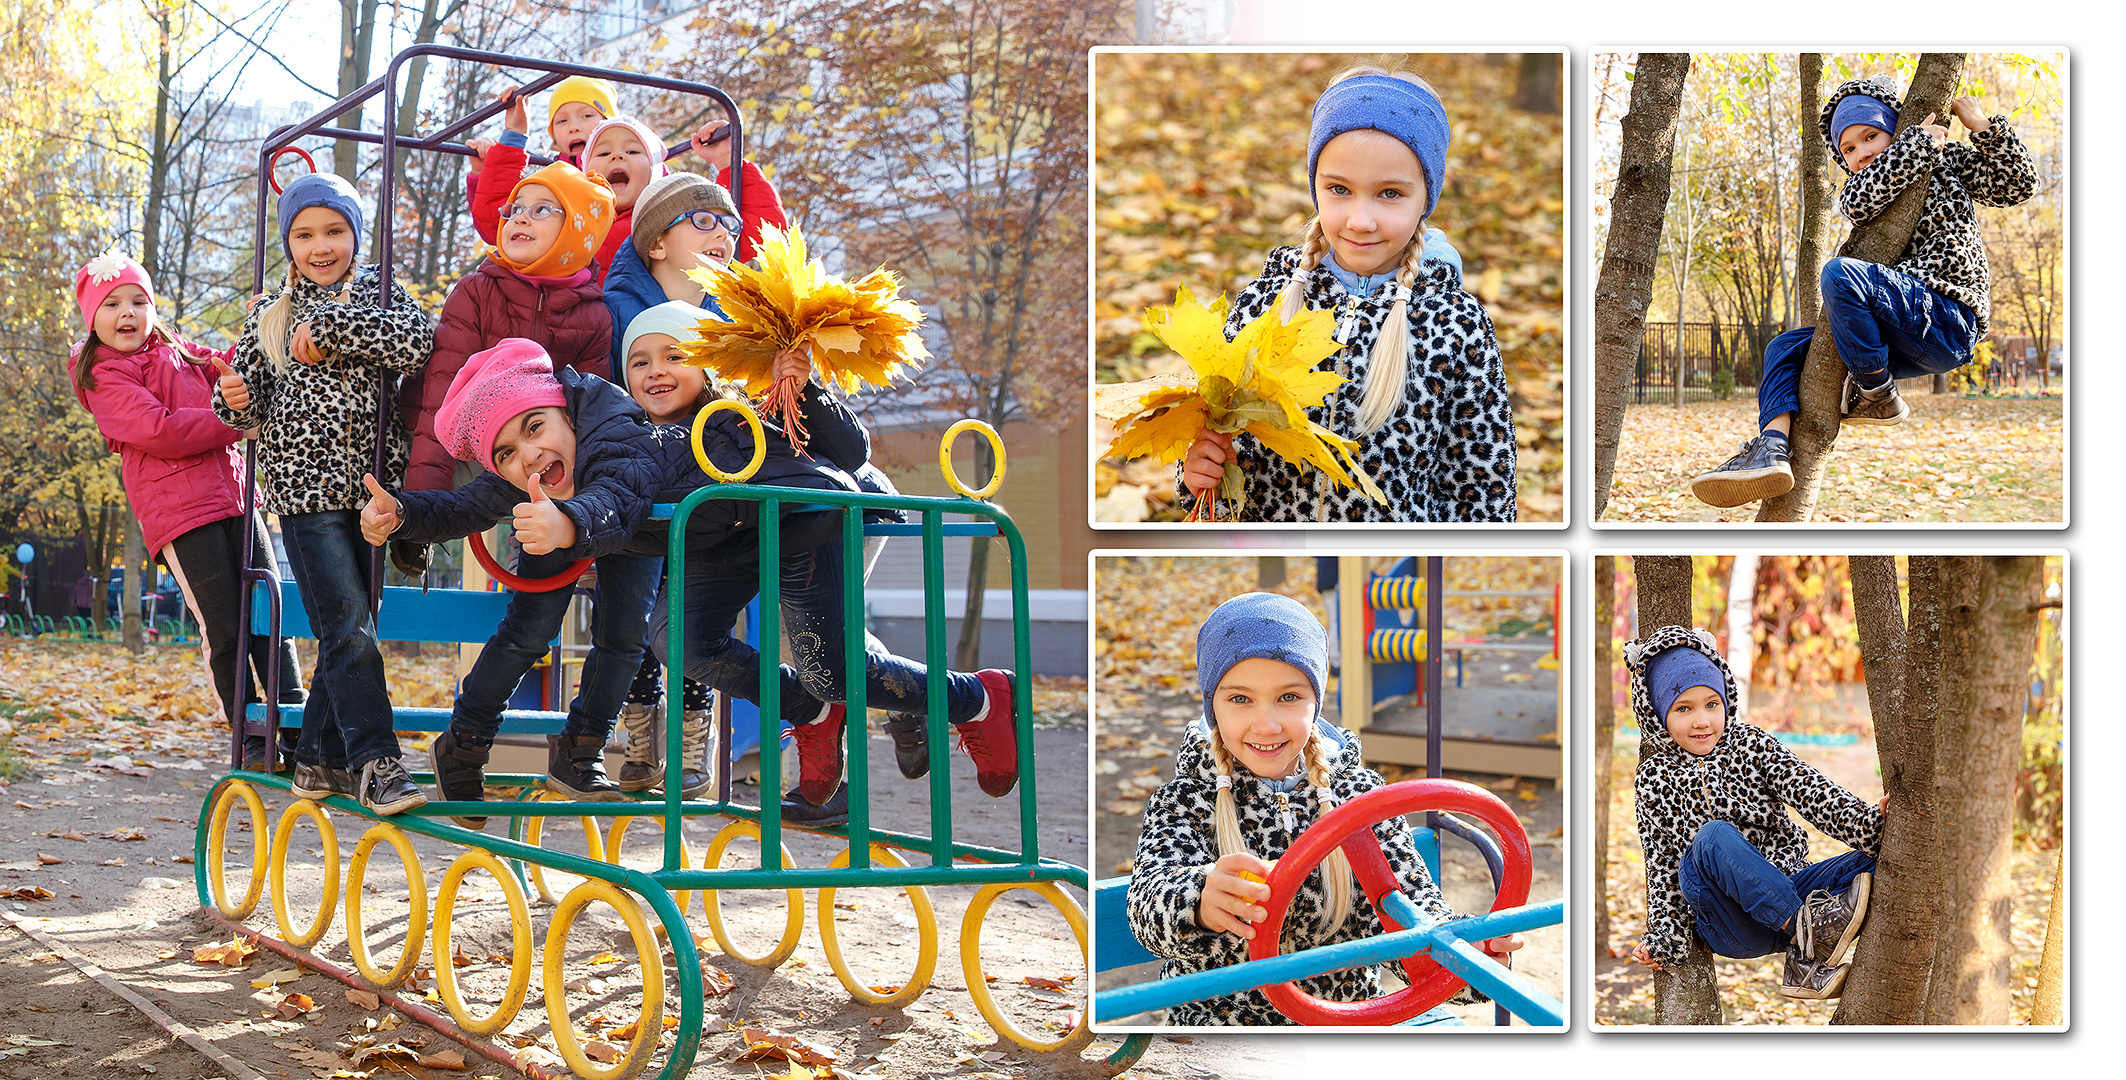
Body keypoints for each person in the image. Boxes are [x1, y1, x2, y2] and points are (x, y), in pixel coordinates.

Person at [358, 339, 1023, 821]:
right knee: (683, 642)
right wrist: (405, 514)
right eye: (506, 453)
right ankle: (811, 712)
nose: (528, 454)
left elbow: (618, 494)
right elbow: (470, 506)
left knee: (831, 667)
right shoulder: (541, 471)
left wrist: (568, 525)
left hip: (798, 514)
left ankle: (979, 698)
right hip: (722, 533)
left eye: (535, 428)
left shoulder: (615, 435)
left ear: (566, 414)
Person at [1124, 592, 1524, 1025]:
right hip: (1222, 1028)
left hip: (1346, 1022)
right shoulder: (1185, 800)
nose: (1266, 725)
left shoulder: (1360, 798)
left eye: (1289, 697)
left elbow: (1410, 920)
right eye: (1240, 699)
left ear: (1316, 701)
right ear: (1212, 706)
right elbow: (1148, 904)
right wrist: (1200, 899)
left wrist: (1466, 958)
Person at [1178, 65, 1516, 523]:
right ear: (1315, 186)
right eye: (1339, 189)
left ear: (1426, 198)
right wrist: (1199, 476)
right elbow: (1218, 450)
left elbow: (1484, 491)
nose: (1360, 220)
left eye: (1390, 193)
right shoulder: (1263, 306)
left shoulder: (1456, 325)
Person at [1690, 75, 2039, 508]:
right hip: (1900, 329)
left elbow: (2017, 184)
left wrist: (1981, 125)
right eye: (1849, 149)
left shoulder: (1944, 161)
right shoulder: (1865, 186)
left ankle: (1876, 394)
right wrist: (1915, 146)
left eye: (1871, 136)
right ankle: (1772, 448)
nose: (1862, 153)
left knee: (1840, 275)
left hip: (1947, 314)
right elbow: (1858, 201)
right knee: (1783, 347)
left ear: (1898, 127)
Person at [211, 172, 435, 815]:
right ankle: (377, 762)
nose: (320, 246)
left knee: (356, 626)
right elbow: (244, 404)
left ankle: (316, 759)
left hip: (373, 492)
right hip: (304, 493)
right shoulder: (270, 314)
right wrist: (233, 399)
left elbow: (417, 344)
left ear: (355, 236)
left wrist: (335, 326)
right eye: (304, 235)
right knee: (347, 626)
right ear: (288, 244)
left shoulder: (381, 293)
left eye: (334, 231)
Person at [67, 249, 305, 769]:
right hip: (180, 513)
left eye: (138, 301)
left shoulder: (180, 351)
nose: (127, 313)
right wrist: (233, 425)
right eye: (112, 304)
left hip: (237, 497)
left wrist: (261, 327)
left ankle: (294, 719)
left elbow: (233, 370)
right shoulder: (104, 375)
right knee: (224, 623)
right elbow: (159, 430)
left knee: (269, 611)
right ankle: (249, 732)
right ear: (92, 320)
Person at [1625, 624, 1882, 999]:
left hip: (1791, 890)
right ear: (1657, 715)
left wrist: (1870, 824)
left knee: (1880, 857)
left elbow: (1811, 791)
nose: (1702, 720)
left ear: (1726, 701)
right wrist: (1664, 938)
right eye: (1683, 709)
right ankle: (1807, 933)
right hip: (1731, 921)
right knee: (1713, 837)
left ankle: (1803, 956)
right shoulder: (1654, 777)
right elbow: (1661, 862)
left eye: (1712, 705)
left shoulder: (1751, 744)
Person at [464, 75, 616, 244]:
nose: (573, 127)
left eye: (587, 115)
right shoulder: (550, 181)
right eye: (562, 121)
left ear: (610, 124)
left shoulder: (627, 168)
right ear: (554, 136)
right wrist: (513, 137)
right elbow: (499, 227)